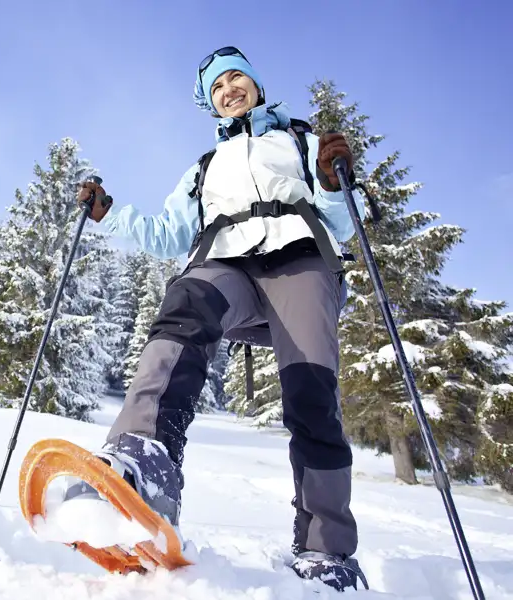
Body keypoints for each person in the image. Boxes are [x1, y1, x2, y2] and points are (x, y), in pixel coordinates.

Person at [70, 46, 368, 592]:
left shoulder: (297, 141)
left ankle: (326, 549)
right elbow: (167, 235)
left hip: (299, 260)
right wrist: (110, 216)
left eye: (237, 80)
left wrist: (330, 182)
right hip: (225, 261)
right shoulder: (204, 168)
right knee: (186, 303)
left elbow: (347, 223)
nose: (229, 90)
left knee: (312, 396)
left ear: (256, 85)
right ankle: (143, 464)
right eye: (217, 88)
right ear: (211, 104)